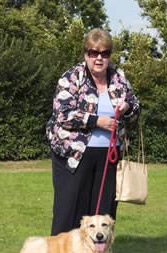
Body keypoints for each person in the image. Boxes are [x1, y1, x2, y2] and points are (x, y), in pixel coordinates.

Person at [46, 28, 141, 236]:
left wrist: (127, 109)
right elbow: (62, 114)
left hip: (109, 154)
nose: (99, 58)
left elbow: (136, 108)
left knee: (103, 213)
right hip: (74, 155)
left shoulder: (119, 76)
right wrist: (97, 121)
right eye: (94, 52)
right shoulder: (72, 77)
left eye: (105, 53)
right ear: (85, 54)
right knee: (70, 209)